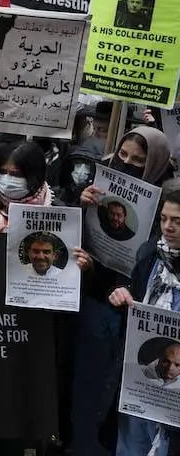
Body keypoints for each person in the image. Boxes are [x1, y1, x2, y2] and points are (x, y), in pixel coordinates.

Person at [73, 125, 173, 456]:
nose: (126, 164)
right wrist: (80, 205)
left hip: (137, 315)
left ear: (154, 164)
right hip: (95, 300)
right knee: (89, 384)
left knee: (125, 398)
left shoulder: (167, 204)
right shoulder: (98, 185)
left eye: (138, 161)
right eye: (123, 155)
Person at [110, 189, 180, 451]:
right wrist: (122, 296)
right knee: (133, 442)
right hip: (142, 377)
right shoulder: (150, 253)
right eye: (163, 219)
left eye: (177, 221)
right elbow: (136, 293)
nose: (168, 227)